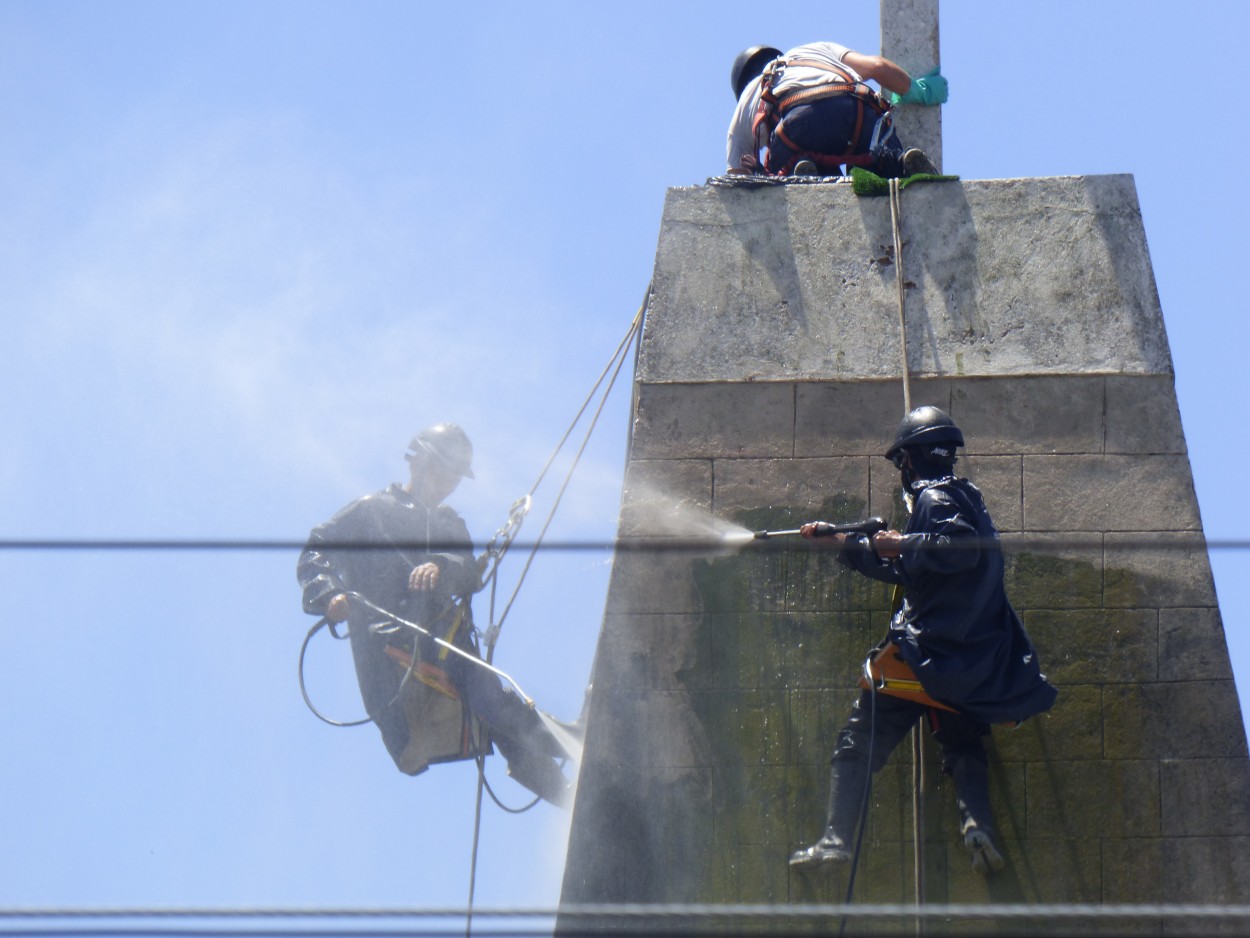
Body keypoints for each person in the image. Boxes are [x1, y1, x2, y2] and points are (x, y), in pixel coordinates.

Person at [790, 406, 1057, 874]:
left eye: (902, 463)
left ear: (908, 461)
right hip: (970, 667)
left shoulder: (936, 499)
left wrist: (902, 543)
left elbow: (953, 551)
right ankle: (977, 828)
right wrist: (845, 548)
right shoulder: (966, 498)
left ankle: (835, 841)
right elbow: (912, 568)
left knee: (857, 741)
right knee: (963, 743)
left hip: (922, 657)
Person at [296, 423, 575, 807]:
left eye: (457, 476)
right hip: (390, 646)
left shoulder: (449, 524)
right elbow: (317, 549)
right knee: (485, 703)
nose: (449, 482)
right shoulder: (372, 511)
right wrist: (329, 593)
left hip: (445, 642)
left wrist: (441, 566)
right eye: (445, 469)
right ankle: (573, 746)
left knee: (491, 705)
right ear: (420, 461)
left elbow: (467, 569)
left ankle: (572, 787)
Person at [726, 42, 947, 178]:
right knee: (879, 151)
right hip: (857, 112)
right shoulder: (816, 50)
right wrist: (919, 91)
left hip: (800, 127)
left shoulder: (750, 94)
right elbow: (877, 67)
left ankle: (803, 174)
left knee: (786, 168)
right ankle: (902, 165)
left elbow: (736, 181)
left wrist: (759, 177)